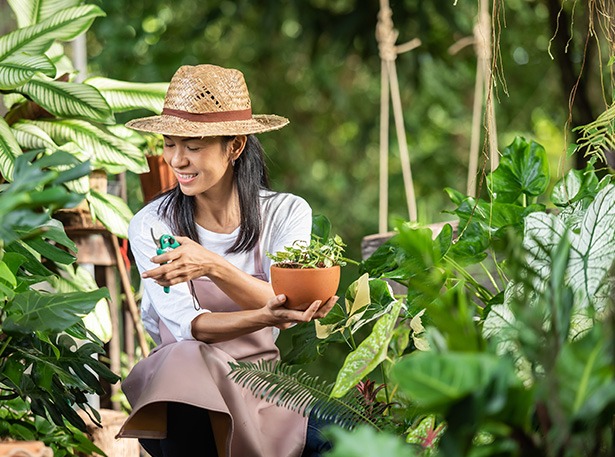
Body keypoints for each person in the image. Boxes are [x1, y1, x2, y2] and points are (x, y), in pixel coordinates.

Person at [116, 64, 338, 457]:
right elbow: (190, 328)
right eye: (170, 144)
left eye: (193, 147)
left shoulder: (285, 213)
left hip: (261, 385)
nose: (177, 160)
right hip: (181, 393)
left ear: (234, 147)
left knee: (350, 435)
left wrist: (212, 265)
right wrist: (268, 313)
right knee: (184, 359)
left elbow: (288, 302)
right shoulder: (152, 224)